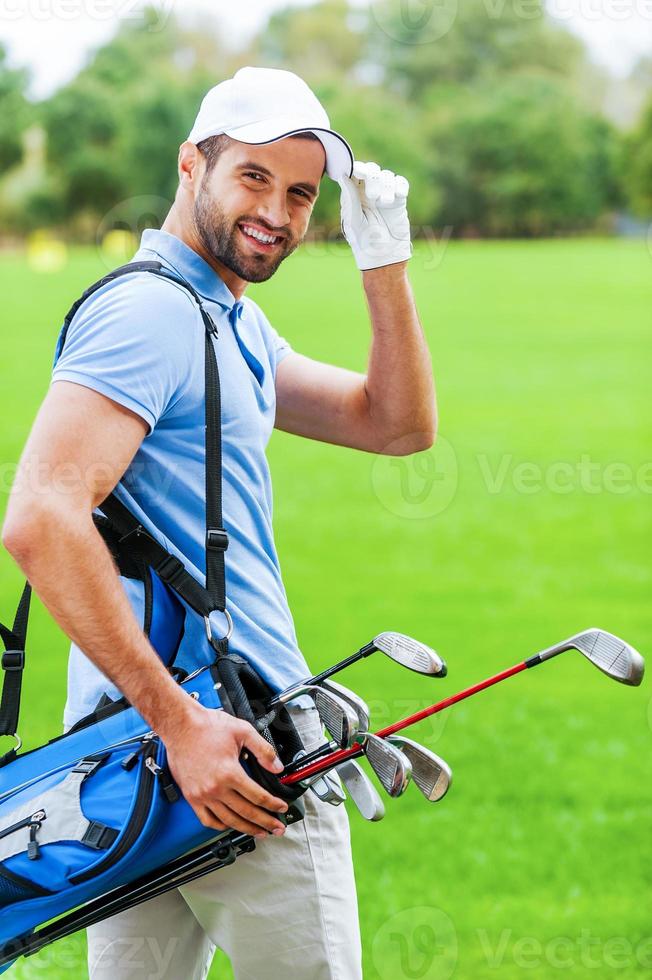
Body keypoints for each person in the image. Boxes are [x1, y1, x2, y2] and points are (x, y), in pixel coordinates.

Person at [2, 66, 436, 979]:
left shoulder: (224, 315)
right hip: (227, 747)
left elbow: (393, 424)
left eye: (302, 193)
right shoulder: (153, 314)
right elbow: (40, 518)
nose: (277, 211)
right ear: (191, 163)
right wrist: (180, 724)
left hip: (138, 765)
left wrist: (383, 262)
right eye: (253, 177)